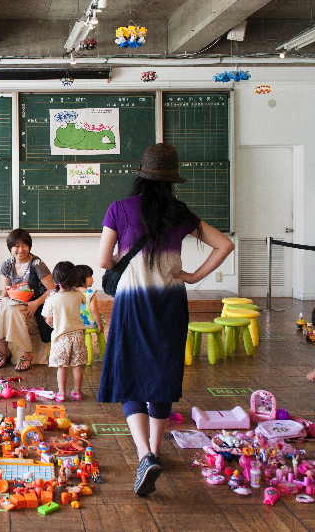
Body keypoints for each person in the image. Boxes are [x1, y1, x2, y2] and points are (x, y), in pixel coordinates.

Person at [96, 143, 234, 497]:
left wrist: (124, 259)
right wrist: (191, 276)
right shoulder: (181, 214)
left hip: (132, 306)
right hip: (171, 305)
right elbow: (224, 245)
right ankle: (155, 450)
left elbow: (104, 262)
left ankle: (144, 455)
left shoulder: (119, 209)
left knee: (130, 372)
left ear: (141, 175)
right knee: (162, 371)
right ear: (172, 180)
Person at [0, 228, 55, 372]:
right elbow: (6, 291)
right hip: (16, 305)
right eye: (16, 246)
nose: (20, 249)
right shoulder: (7, 264)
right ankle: (4, 350)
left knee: (11, 309)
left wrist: (36, 303)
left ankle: (26, 353)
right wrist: (0, 298)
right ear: (10, 248)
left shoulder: (36, 264)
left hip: (35, 310)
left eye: (24, 245)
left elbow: (53, 290)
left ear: (29, 246)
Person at [42, 261, 88, 402]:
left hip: (61, 337)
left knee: (62, 367)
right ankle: (78, 392)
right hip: (78, 336)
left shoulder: (51, 299)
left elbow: (48, 319)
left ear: (55, 280)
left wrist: (55, 324)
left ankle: (61, 393)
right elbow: (84, 301)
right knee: (77, 366)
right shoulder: (78, 295)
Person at [76, 264, 103, 329]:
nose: (92, 278)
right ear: (82, 281)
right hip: (90, 323)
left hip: (76, 323)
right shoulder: (90, 293)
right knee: (101, 321)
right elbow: (94, 310)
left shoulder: (72, 293)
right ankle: (99, 338)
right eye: (90, 276)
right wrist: (100, 324)